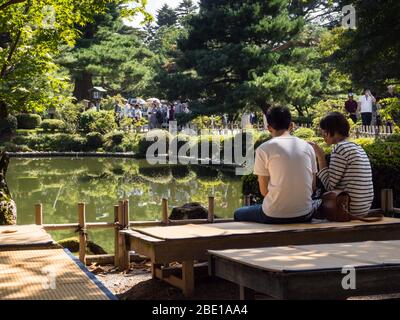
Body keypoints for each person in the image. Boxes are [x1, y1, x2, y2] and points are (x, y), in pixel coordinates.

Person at [234, 106, 320, 224]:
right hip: (305, 213)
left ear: (269, 128)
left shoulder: (263, 149)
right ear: (291, 125)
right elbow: (313, 186)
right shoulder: (307, 147)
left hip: (273, 215)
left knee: (238, 213)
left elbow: (264, 192)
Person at [310, 112, 374, 216]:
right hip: (362, 208)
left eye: (324, 132)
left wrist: (320, 157)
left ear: (333, 131)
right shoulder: (357, 147)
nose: (323, 136)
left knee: (310, 204)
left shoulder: (340, 148)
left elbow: (329, 186)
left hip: (347, 208)